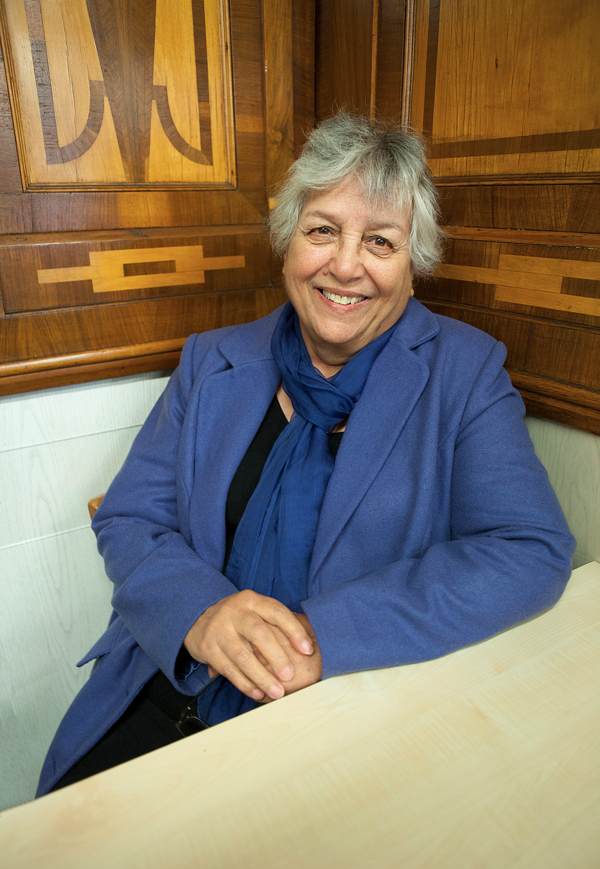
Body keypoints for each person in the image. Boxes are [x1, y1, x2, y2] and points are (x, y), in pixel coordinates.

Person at [38, 113, 574, 795]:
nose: (345, 265)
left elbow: (527, 548)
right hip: (169, 678)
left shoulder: (464, 374)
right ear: (288, 242)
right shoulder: (212, 361)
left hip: (343, 715)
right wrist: (200, 612)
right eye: (322, 230)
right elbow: (129, 517)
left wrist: (323, 637)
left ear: (413, 268)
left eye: (380, 241)